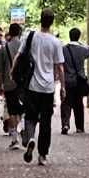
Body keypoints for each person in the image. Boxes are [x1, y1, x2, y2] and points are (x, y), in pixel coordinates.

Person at [19, 9, 67, 165]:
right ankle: (42, 155)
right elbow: (60, 67)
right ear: (52, 22)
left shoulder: (29, 36)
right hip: (48, 87)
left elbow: (19, 56)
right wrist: (63, 87)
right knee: (46, 121)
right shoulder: (55, 42)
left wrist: (13, 74)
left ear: (40, 19)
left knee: (30, 116)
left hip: (32, 85)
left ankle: (30, 137)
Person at [0, 21, 27, 149]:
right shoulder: (25, 48)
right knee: (23, 109)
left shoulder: (4, 49)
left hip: (9, 84)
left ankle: (15, 139)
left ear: (10, 33)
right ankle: (24, 128)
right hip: (24, 84)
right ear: (20, 32)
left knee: (12, 111)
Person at [61, 25, 89, 136]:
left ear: (69, 36)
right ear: (78, 37)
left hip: (67, 80)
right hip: (79, 81)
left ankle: (65, 124)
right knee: (78, 103)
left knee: (66, 102)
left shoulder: (63, 49)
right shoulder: (83, 50)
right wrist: (80, 43)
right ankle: (79, 127)